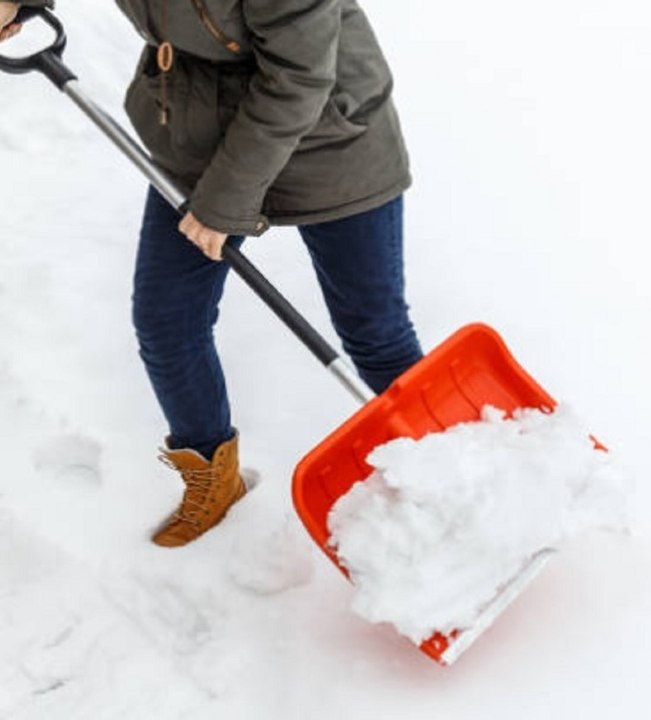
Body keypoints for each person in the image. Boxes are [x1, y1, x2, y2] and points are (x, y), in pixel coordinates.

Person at [1, 0, 424, 546]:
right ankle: (212, 475)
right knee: (166, 322)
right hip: (200, 130)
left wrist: (222, 205)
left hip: (329, 137)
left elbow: (298, 78)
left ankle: (449, 473)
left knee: (376, 336)